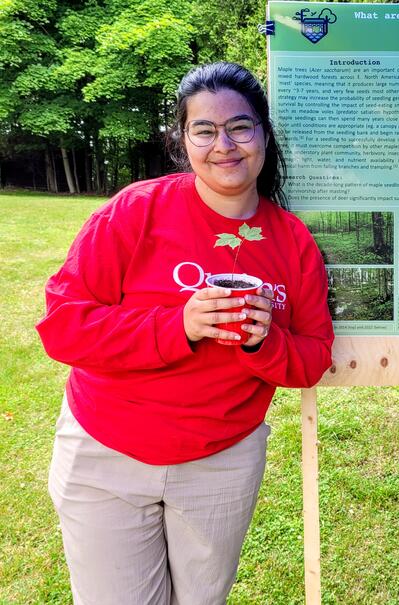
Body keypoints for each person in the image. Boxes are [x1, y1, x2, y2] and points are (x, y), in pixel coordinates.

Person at [36, 62, 334, 605]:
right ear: (183, 140)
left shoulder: (292, 241)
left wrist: (262, 342)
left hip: (222, 462)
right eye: (204, 130)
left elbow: (312, 357)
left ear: (264, 135)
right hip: (107, 453)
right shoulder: (136, 211)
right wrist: (179, 325)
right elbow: (63, 327)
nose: (224, 145)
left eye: (240, 127)